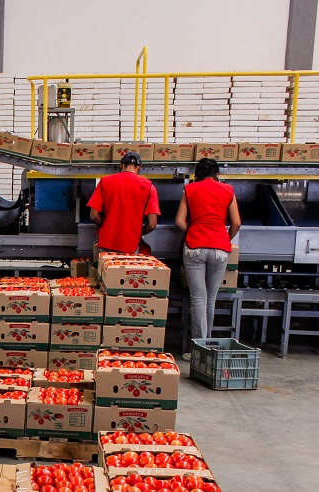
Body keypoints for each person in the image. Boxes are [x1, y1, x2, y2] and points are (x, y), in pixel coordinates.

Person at [175, 158, 241, 357]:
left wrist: (193, 232)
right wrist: (224, 239)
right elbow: (236, 223)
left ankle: (198, 351)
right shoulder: (228, 190)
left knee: (198, 300)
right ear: (217, 173)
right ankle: (208, 349)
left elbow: (179, 221)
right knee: (210, 300)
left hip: (195, 247)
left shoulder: (191, 189)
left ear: (197, 174)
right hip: (220, 249)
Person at [88, 151, 160, 254]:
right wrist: (138, 233)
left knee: (107, 269)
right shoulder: (149, 187)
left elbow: (93, 215)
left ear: (121, 165)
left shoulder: (105, 181)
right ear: (139, 167)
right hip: (131, 246)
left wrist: (105, 225)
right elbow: (152, 224)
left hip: (106, 243)